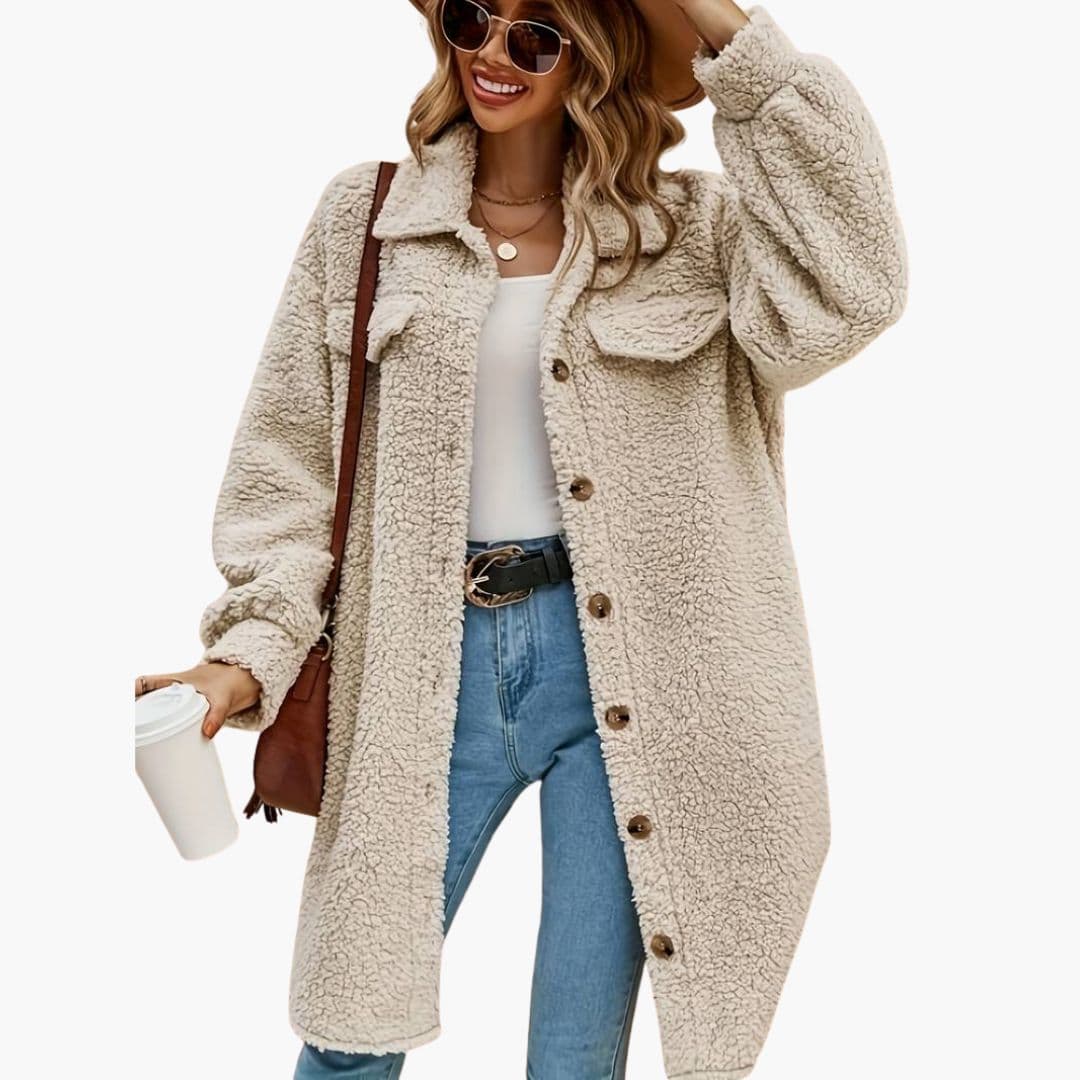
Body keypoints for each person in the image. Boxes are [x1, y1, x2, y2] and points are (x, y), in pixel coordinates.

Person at [135, 1, 908, 1076]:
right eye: (472, 19)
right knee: (350, 1027)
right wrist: (245, 654)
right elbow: (290, 462)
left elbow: (855, 286)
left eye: (535, 35)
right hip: (422, 666)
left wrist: (715, 21)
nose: (493, 55)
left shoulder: (698, 233)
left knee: (575, 1050)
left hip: (630, 672)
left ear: (594, 54)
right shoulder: (368, 219)